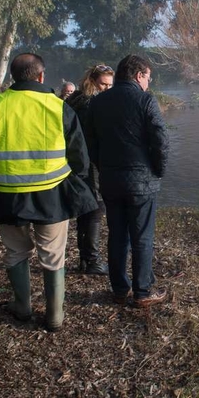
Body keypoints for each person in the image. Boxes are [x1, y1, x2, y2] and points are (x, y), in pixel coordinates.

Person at [0, 53, 98, 331]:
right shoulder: (57, 106)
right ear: (41, 75)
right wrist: (80, 182)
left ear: (13, 76)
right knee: (53, 255)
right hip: (52, 193)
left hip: (8, 194)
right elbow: (79, 155)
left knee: (15, 252)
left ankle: (23, 308)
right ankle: (55, 316)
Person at [86, 54, 169, 309]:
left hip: (111, 179)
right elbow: (161, 141)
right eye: (148, 77)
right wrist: (158, 170)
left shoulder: (98, 102)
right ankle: (142, 292)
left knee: (117, 235)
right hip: (142, 181)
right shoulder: (145, 100)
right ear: (138, 75)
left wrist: (104, 167)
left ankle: (120, 290)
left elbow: (91, 143)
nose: (148, 83)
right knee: (142, 236)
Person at [64, 64, 114, 275]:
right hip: (88, 162)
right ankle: (92, 260)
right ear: (91, 81)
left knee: (86, 209)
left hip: (75, 161)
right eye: (103, 84)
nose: (106, 89)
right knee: (95, 208)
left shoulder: (74, 100)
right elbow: (90, 136)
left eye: (110, 85)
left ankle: (85, 258)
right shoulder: (88, 103)